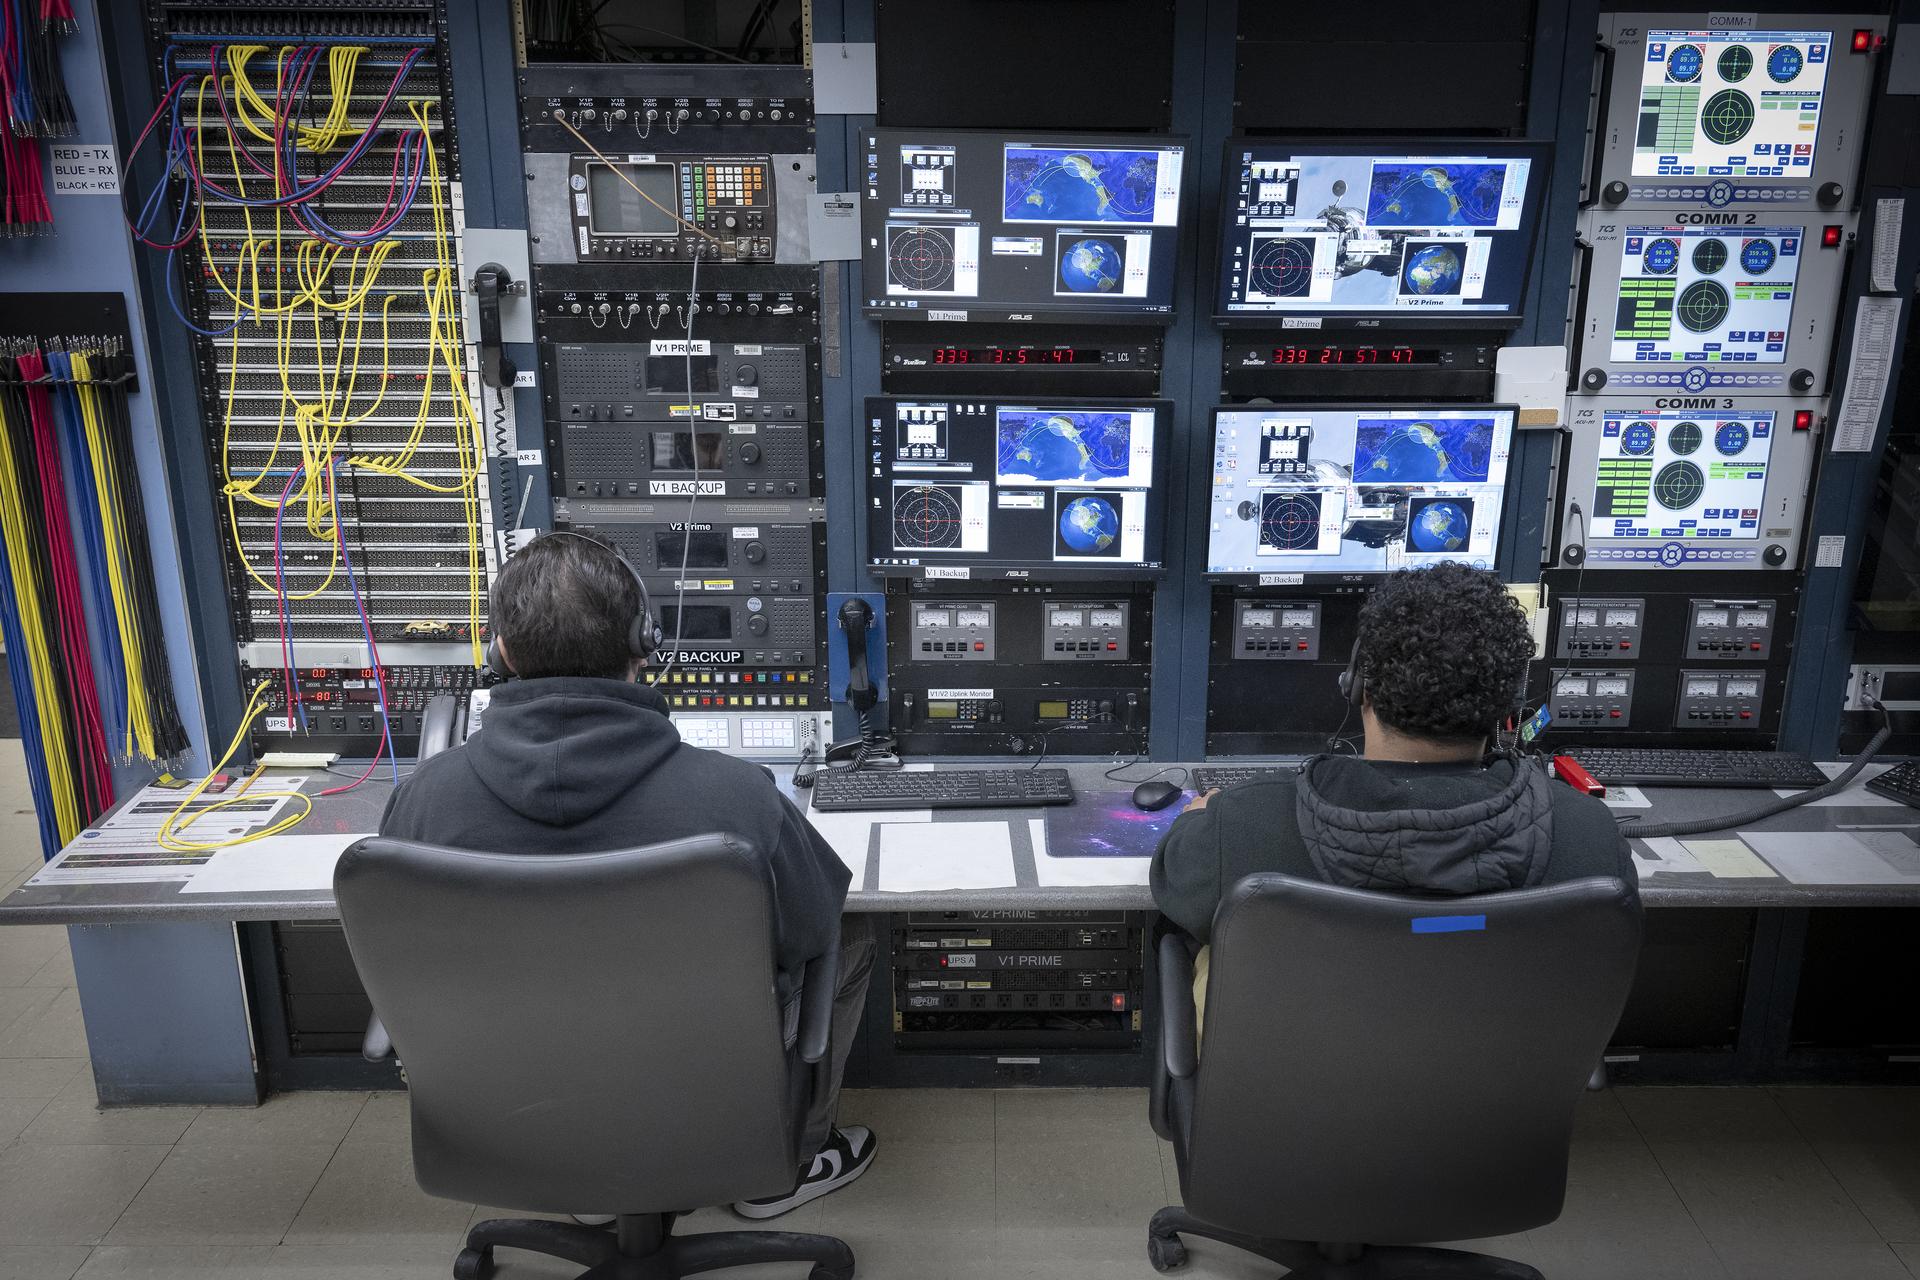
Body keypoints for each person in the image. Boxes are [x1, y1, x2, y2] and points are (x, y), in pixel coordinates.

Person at [380, 531, 876, 1218]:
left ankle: (581, 1174)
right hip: (693, 1084)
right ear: (646, 645)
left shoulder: (422, 800)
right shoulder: (738, 798)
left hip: (523, 1106)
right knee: (851, 943)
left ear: (502, 652)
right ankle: (780, 1171)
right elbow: (813, 928)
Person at [1151, 562, 1639, 1039]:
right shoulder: (1592, 837)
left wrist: (1197, 819)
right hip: (1498, 1107)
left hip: (1291, 1107)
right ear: (1506, 702)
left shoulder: (1240, 826)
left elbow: (1175, 887)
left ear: (1360, 686)